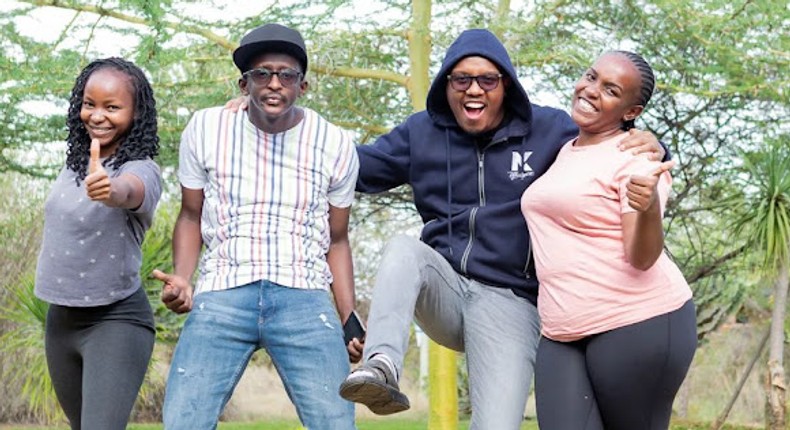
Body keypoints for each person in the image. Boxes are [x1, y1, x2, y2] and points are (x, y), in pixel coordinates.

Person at [224, 28, 666, 429]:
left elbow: (607, 135)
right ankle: (381, 367)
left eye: (487, 80)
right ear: (446, 86)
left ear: (505, 86)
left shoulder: (548, 128)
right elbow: (345, 164)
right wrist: (271, 116)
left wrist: (652, 139)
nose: (474, 89)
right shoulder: (423, 133)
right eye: (461, 80)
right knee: (404, 248)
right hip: (444, 288)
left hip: (511, 303)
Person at [151, 23, 359, 430]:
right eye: (262, 73)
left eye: (287, 75)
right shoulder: (207, 128)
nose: (274, 84)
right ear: (243, 83)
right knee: (182, 420)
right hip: (224, 289)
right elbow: (190, 214)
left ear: (304, 85)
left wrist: (348, 316)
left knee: (335, 423)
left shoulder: (335, 143)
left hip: (303, 293)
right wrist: (181, 276)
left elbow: (337, 238)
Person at [521, 51, 696, 430]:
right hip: (561, 331)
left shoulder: (637, 158)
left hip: (638, 321)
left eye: (611, 90)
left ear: (630, 112)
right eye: (591, 76)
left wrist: (648, 207)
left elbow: (643, 256)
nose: (591, 90)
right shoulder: (565, 150)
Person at [34, 57, 162, 430]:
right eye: (90, 104)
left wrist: (112, 189)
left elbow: (131, 192)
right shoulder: (74, 165)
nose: (97, 115)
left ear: (136, 114)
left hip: (116, 320)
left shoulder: (142, 169)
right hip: (60, 320)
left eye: (112, 107)